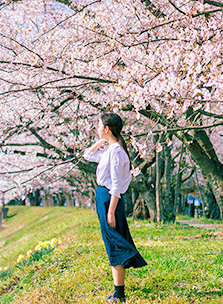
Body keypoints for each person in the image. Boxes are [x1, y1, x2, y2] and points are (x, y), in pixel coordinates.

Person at [84, 113, 147, 303]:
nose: (96, 128)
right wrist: (102, 140)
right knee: (113, 243)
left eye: (99, 126)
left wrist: (111, 211)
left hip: (109, 200)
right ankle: (118, 292)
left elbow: (117, 185)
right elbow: (87, 155)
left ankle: (119, 294)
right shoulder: (110, 149)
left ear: (107, 129)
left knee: (115, 244)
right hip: (105, 197)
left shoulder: (116, 152)